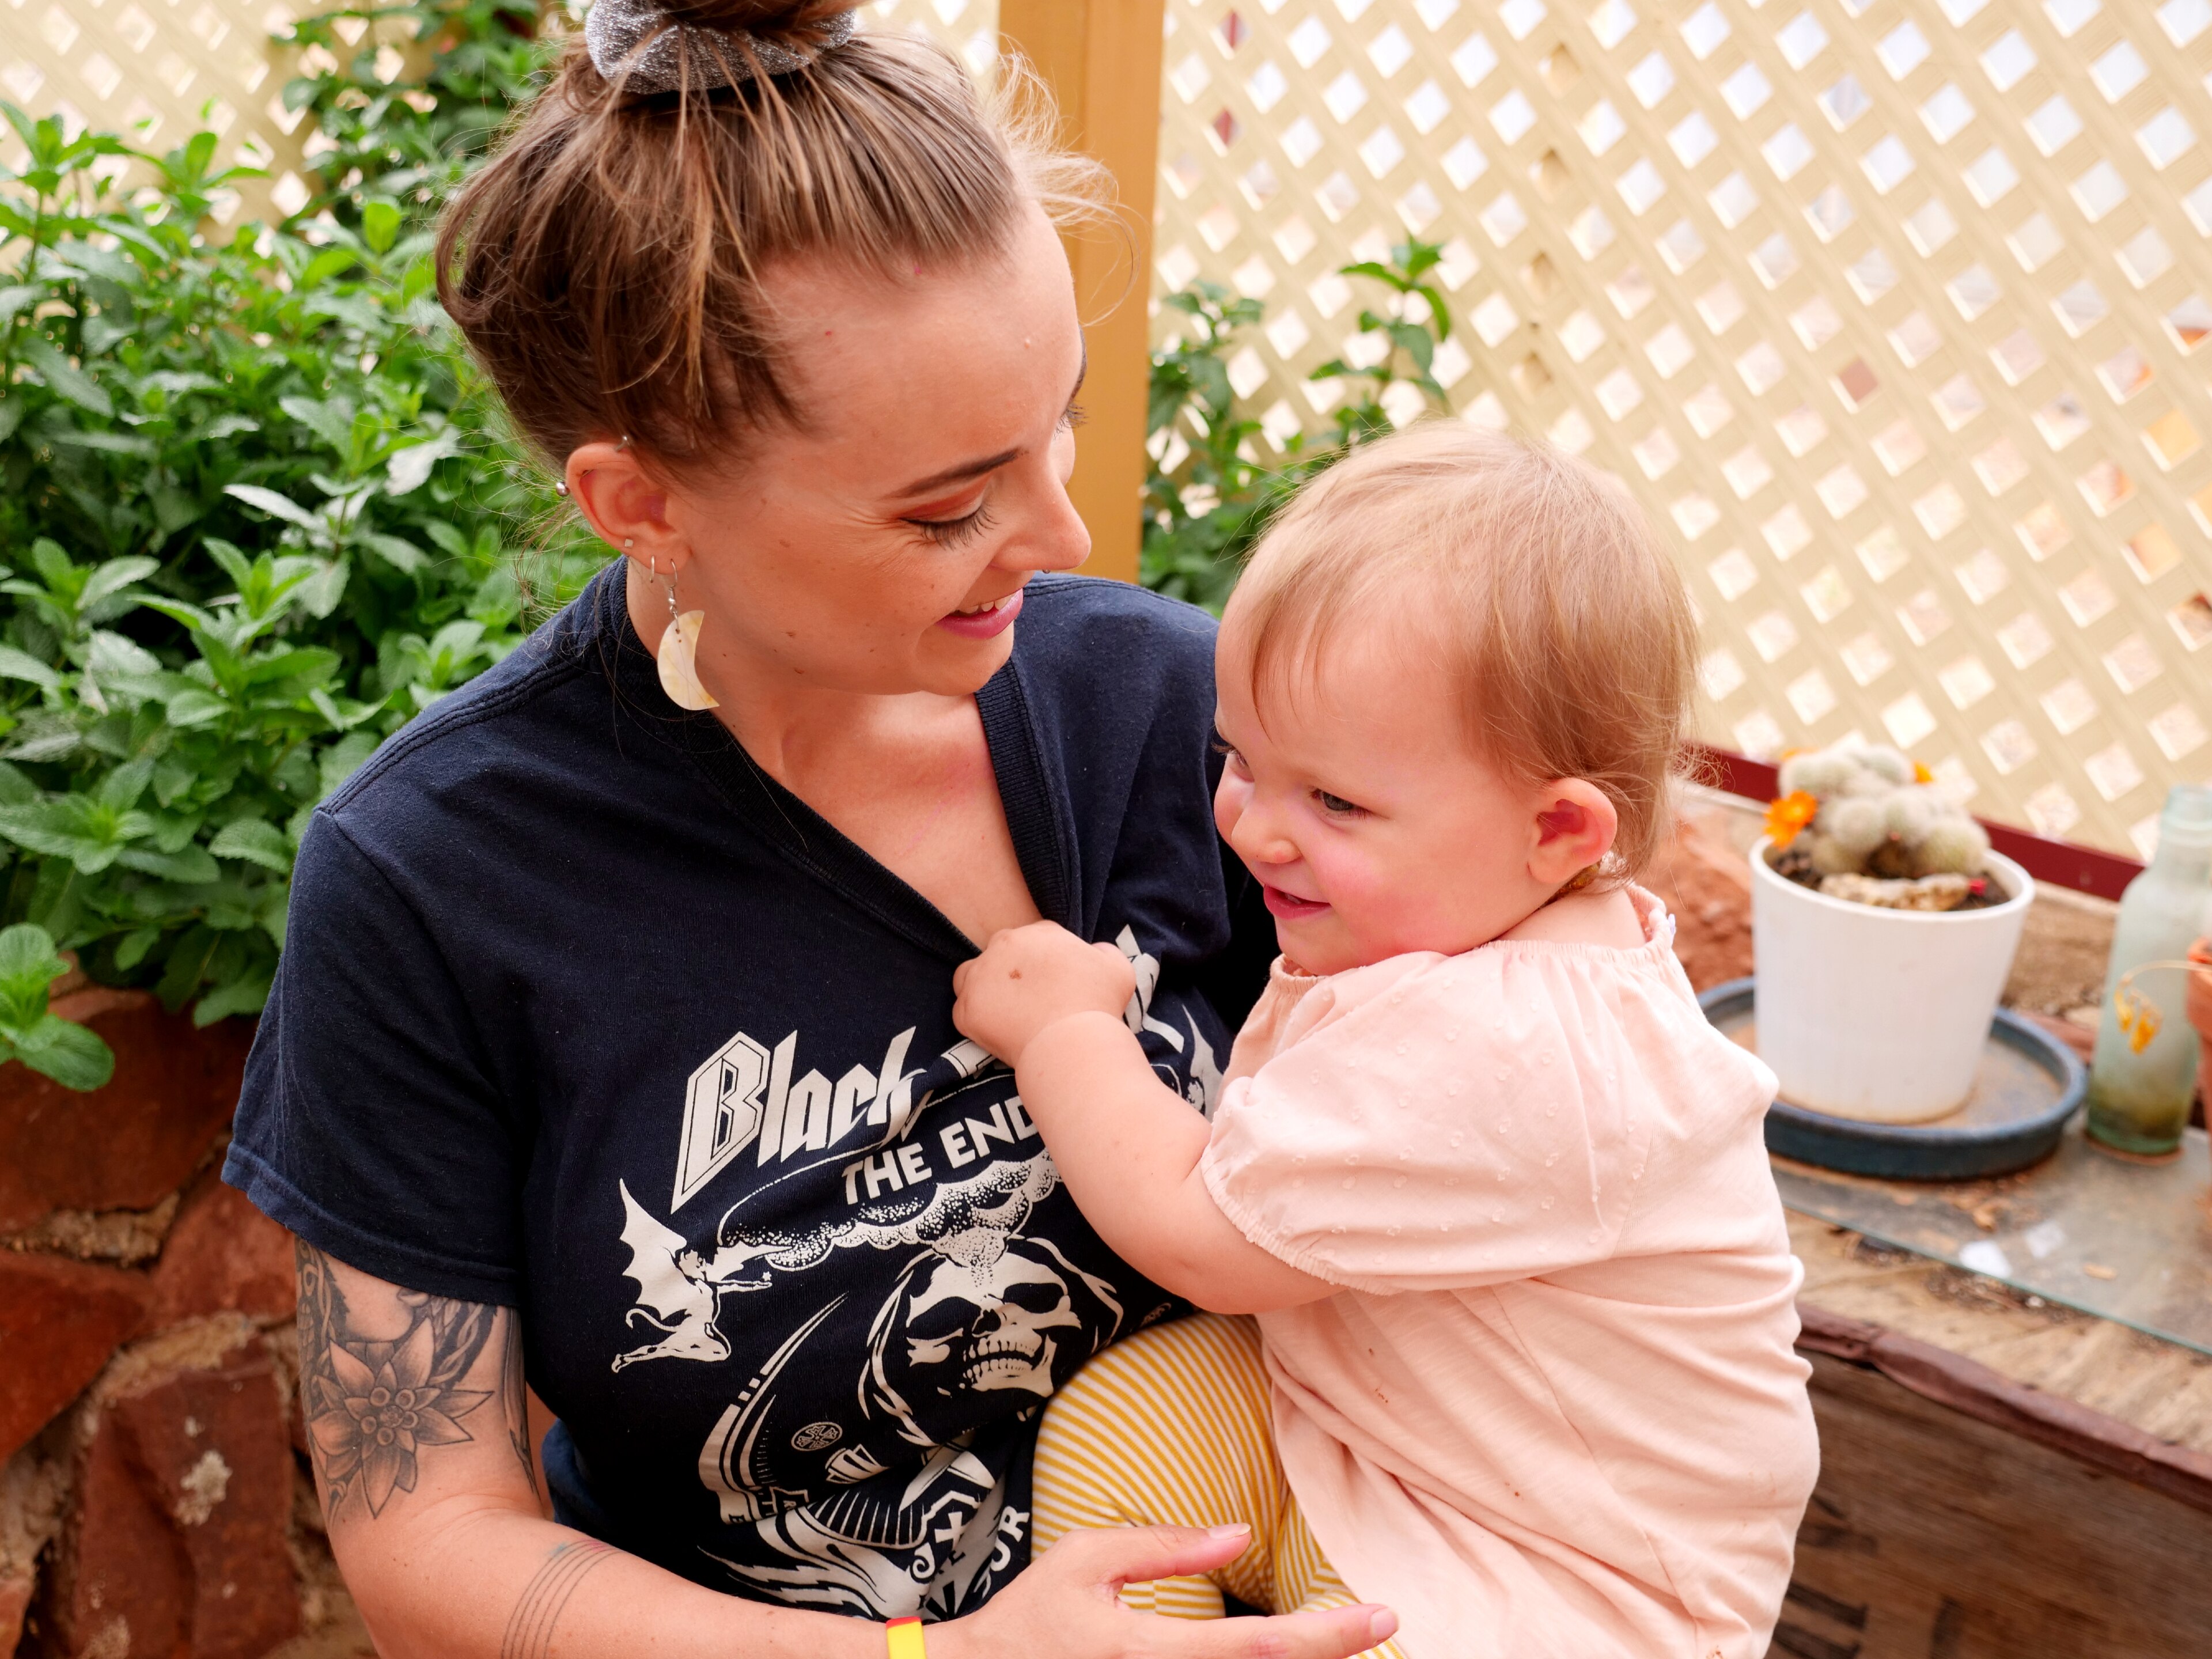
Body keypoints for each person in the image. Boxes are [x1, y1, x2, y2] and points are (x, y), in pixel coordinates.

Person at [221, 4, 1399, 1656]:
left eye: (1054, 423)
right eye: (945, 508)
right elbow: (427, 1537)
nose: (1060, 535)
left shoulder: (1189, 726)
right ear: (642, 504)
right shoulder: (433, 878)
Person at [950, 425, 1823, 1659]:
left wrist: (1064, 1031)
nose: (1254, 830)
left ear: (1558, 830)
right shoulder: (1486, 928)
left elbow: (1201, 1233)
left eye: (1337, 802)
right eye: (1241, 760)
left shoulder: (1512, 1051)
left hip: (1555, 1596)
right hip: (1371, 1461)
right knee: (1146, 1410)